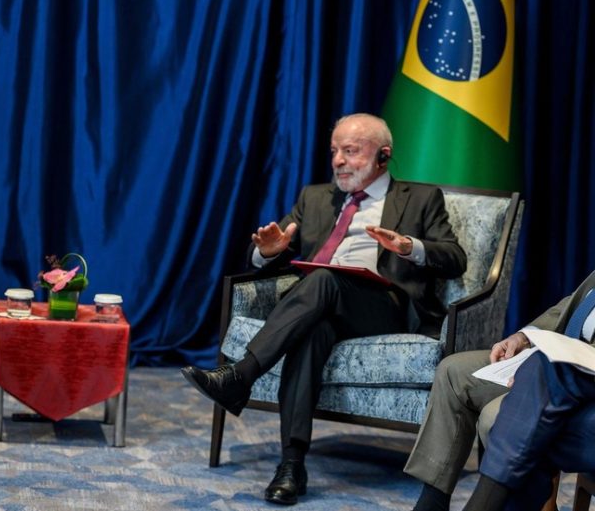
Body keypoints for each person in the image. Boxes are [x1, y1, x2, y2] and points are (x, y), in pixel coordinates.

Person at [180, 113, 467, 505]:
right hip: (321, 304)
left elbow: (455, 258)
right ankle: (291, 465)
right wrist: (267, 252)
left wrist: (408, 247)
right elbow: (268, 248)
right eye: (334, 151)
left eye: (350, 151)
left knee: (324, 279)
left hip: (384, 307)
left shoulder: (420, 198)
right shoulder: (314, 198)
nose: (338, 161)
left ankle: (240, 375)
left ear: (383, 156)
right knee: (311, 328)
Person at [405, 269, 595, 511]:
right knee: (453, 371)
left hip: (577, 371)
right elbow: (574, 304)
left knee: (498, 414)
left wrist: (543, 373)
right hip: (556, 355)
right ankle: (432, 503)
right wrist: (524, 337)